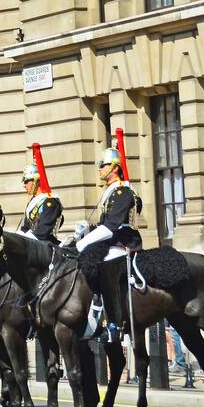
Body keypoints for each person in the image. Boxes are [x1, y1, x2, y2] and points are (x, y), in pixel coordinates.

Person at [75, 140, 141, 343]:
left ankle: (113, 324)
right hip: (111, 242)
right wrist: (85, 232)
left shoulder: (122, 191)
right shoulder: (110, 192)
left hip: (123, 244)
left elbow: (112, 226)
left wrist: (83, 243)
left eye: (102, 165)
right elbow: (104, 224)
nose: (99, 169)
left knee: (105, 268)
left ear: (114, 167)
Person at [16, 153, 64, 243]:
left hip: (47, 246)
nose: (24, 185)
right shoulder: (33, 201)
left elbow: (43, 232)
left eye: (26, 181)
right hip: (32, 244)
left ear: (36, 180)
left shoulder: (50, 202)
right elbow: (26, 228)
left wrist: (22, 241)